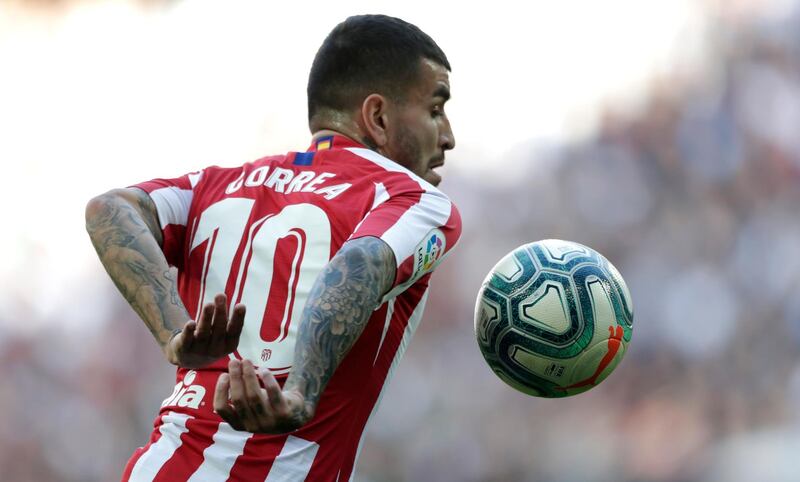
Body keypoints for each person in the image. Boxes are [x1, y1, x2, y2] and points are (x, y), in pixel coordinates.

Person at [85, 14, 460, 482]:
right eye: (435, 109)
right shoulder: (409, 199)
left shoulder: (217, 186)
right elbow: (362, 259)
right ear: (378, 117)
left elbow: (109, 210)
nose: (447, 136)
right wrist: (300, 391)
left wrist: (173, 336)